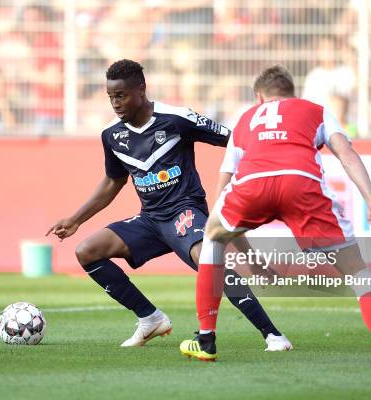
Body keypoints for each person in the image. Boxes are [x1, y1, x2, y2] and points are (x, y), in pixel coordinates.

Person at [180, 65, 371, 373]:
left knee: (212, 238)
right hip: (302, 184)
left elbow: (226, 177)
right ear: (291, 92)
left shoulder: (245, 119)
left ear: (259, 97)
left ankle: (206, 340)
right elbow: (345, 153)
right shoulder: (316, 110)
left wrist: (225, 226)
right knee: (357, 272)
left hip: (253, 184)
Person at [46, 59, 291, 350]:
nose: (115, 102)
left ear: (141, 90)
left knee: (209, 261)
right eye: (111, 96)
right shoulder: (112, 135)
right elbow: (113, 182)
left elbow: (235, 140)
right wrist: (76, 219)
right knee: (87, 251)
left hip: (185, 213)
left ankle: (273, 335)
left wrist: (273, 160)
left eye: (121, 95)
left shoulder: (177, 118)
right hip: (150, 220)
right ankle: (150, 318)